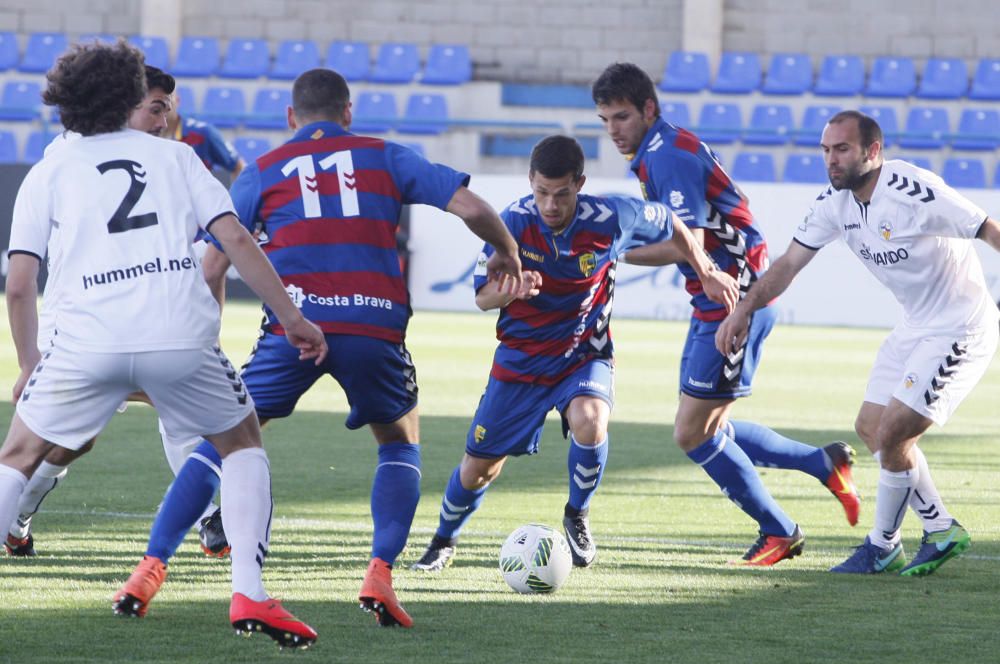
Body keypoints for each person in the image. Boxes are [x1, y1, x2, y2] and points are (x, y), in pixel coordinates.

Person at [112, 67, 524, 628]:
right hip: (375, 328)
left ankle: (150, 567)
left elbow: (213, 264)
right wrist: (507, 252)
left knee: (222, 442)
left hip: (294, 330)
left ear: (290, 118)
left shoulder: (261, 171)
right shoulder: (387, 154)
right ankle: (380, 572)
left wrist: (200, 341)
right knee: (399, 443)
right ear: (348, 112)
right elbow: (472, 208)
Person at [0, 41, 328, 647]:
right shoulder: (177, 158)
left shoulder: (48, 170)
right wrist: (291, 316)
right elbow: (234, 240)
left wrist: (29, 364)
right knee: (240, 443)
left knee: (18, 456)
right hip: (178, 335)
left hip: (84, 341)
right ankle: (250, 593)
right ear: (131, 97)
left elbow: (19, 285)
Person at [410, 135, 740, 572]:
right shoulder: (510, 223)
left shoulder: (610, 217)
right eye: (542, 193)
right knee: (478, 470)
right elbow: (482, 297)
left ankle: (577, 514)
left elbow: (672, 223)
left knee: (591, 419)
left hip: (584, 354)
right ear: (530, 181)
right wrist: (509, 292)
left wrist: (708, 269)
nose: (550, 205)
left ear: (579, 184)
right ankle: (443, 540)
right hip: (521, 362)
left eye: (561, 194)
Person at [591, 62, 861, 566]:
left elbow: (685, 241)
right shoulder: (663, 147)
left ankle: (779, 529)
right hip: (716, 299)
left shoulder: (666, 155)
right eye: (605, 119)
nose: (613, 130)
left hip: (736, 300)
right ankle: (821, 463)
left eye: (621, 117)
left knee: (693, 431)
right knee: (707, 424)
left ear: (649, 109)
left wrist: (607, 255)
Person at [717, 110, 1000, 575]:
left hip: (959, 328)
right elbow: (788, 264)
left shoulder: (913, 189)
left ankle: (883, 545)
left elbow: (987, 227)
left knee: (894, 433)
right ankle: (941, 526)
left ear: (873, 151)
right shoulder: (835, 203)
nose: (831, 160)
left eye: (842, 149)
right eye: (826, 150)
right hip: (914, 326)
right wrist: (743, 310)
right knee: (871, 426)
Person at [4, 64, 200, 558]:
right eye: (155, 108)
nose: (163, 122)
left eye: (167, 111)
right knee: (65, 441)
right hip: (79, 321)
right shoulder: (67, 157)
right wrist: (31, 361)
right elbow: (21, 282)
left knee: (183, 404)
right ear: (123, 105)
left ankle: (214, 521)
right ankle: (18, 517)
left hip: (142, 313)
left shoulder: (161, 157)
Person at [165, 87, 245, 180]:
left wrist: (234, 194)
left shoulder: (203, 132)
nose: (163, 104)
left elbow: (238, 166)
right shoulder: (144, 136)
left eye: (167, 98)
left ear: (177, 100)